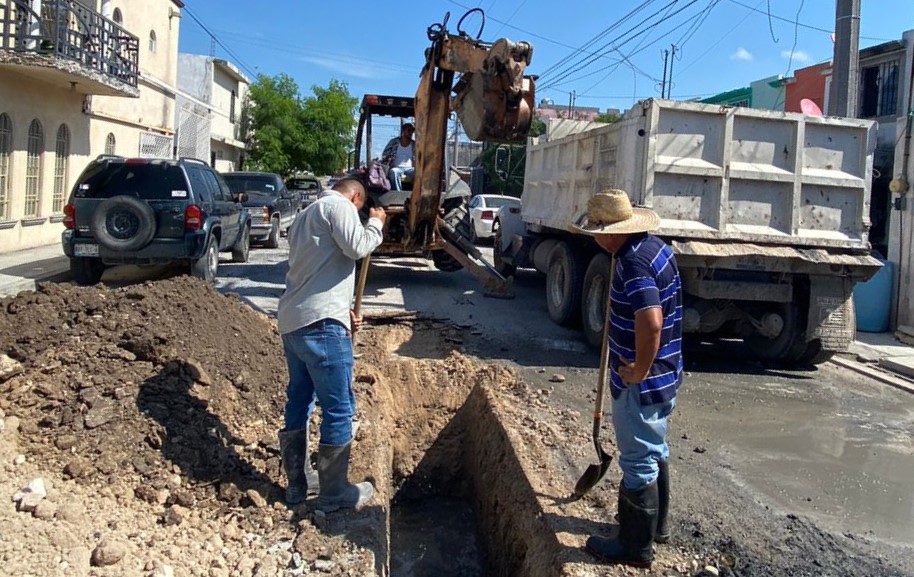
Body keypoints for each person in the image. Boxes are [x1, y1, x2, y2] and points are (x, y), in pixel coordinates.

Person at [574, 189, 683, 569]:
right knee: (656, 450)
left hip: (643, 381)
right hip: (666, 375)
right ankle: (658, 528)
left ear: (611, 231)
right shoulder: (656, 249)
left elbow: (651, 321)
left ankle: (635, 546)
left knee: (638, 460)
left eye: (596, 232)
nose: (595, 238)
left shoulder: (633, 262)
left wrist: (637, 369)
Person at [276, 177, 387, 512]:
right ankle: (334, 492)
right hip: (322, 326)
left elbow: (319, 269)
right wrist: (376, 223)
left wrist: (343, 311)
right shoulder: (338, 206)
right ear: (355, 197)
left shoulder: (305, 215)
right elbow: (357, 246)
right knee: (339, 408)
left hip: (295, 322)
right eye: (360, 207)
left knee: (300, 399)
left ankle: (298, 485)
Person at [381, 122, 415, 191]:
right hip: (397, 168)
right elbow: (384, 155)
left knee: (419, 173)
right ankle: (398, 194)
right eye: (408, 130)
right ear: (403, 131)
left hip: (409, 169)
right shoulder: (394, 142)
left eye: (412, 131)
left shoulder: (414, 144)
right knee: (394, 172)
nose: (410, 133)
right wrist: (388, 157)